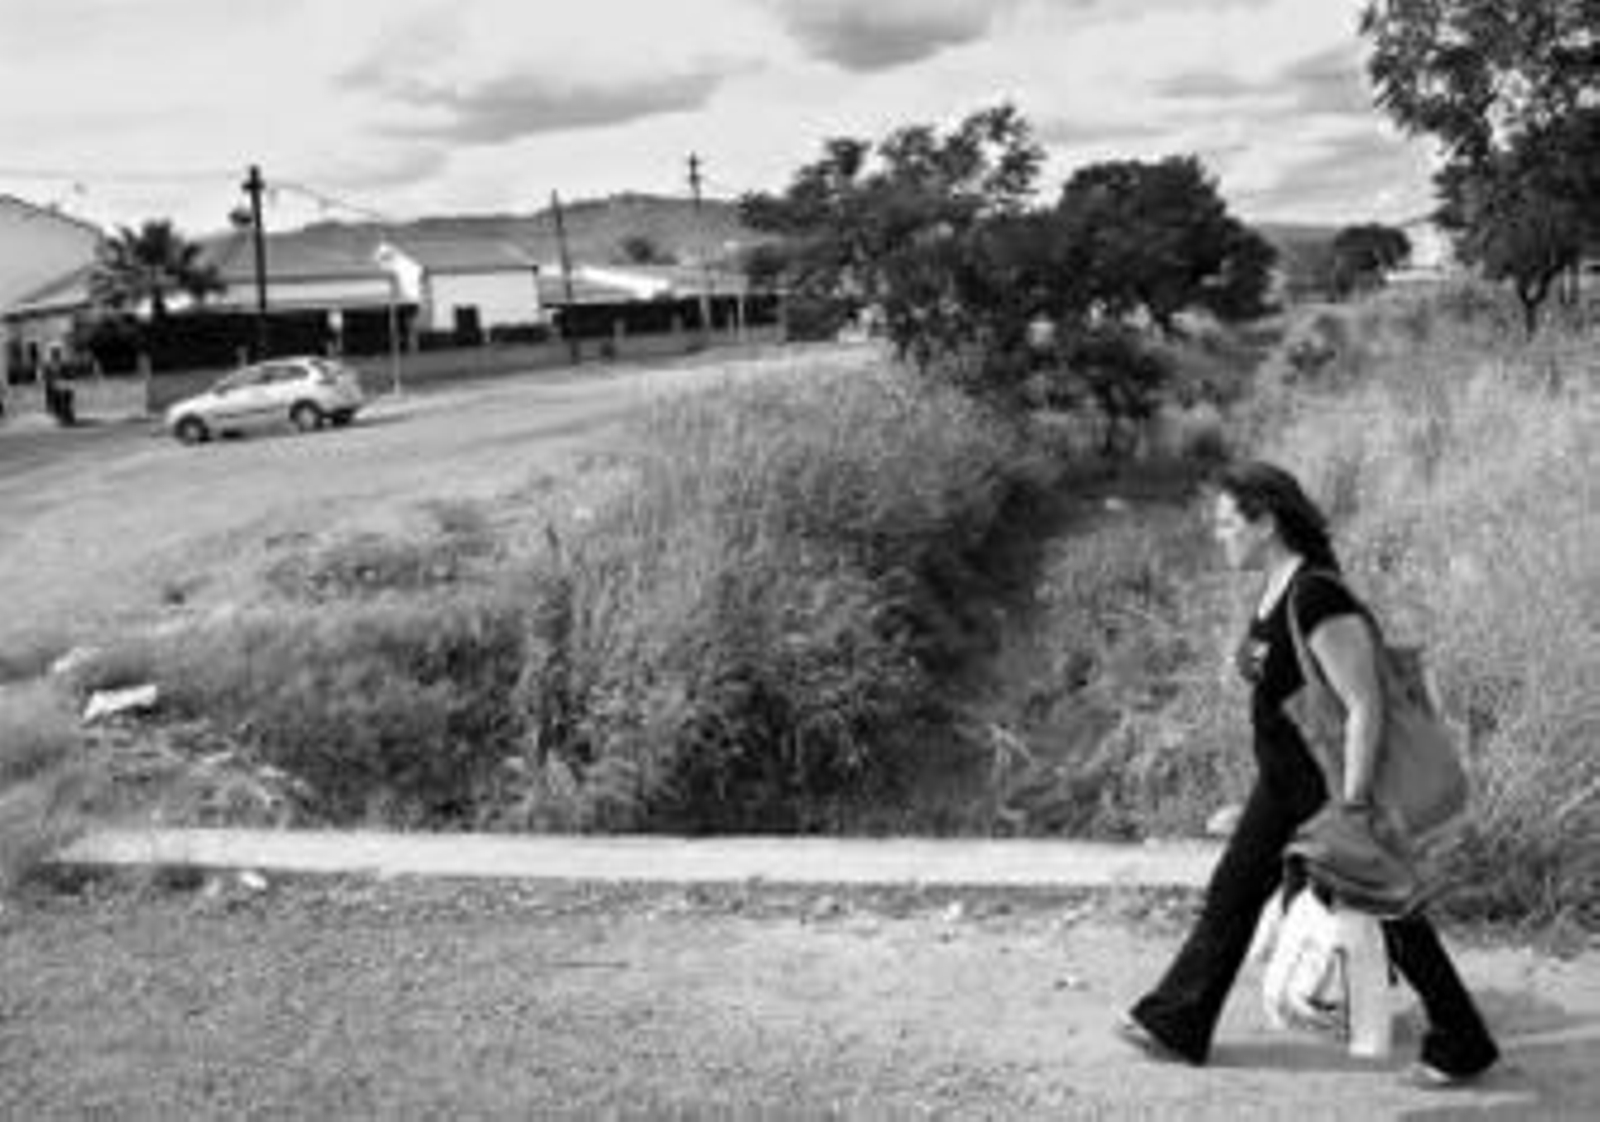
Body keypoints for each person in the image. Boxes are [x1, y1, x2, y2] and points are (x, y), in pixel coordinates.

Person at [1117, 460, 1499, 1087]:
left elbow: (1365, 704)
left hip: (1326, 790)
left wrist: (1351, 805)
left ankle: (1463, 1040)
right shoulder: (1276, 586)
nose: (1219, 535)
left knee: (1388, 907)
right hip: (1284, 786)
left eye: (1226, 522)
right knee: (1234, 893)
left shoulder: (1316, 594)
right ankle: (1178, 1019)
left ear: (1265, 522)